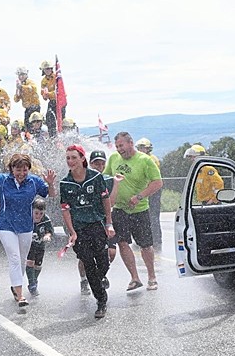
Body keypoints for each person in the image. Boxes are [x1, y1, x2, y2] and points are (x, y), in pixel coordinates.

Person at [0, 147, 56, 307]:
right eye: (18, 170)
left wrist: (51, 184)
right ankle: (20, 295)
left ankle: (15, 286)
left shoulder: (34, 181)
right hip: (6, 225)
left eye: (25, 170)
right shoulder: (2, 180)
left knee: (22, 260)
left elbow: (51, 194)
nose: (21, 173)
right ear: (11, 169)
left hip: (26, 226)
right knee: (14, 258)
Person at [60, 145, 115, 318]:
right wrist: (72, 232)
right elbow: (65, 209)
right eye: (68, 158)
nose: (70, 161)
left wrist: (109, 223)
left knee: (103, 262)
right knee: (88, 263)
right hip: (79, 228)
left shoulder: (96, 177)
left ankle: (98, 282)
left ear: (82, 159)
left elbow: (105, 200)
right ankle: (101, 300)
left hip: (97, 224)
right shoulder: (65, 183)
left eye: (74, 157)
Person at [104, 132, 163, 292]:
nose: (119, 149)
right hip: (119, 209)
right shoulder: (114, 158)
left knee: (145, 245)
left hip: (139, 210)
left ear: (130, 143)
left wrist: (139, 196)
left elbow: (157, 183)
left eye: (121, 146)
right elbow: (106, 178)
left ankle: (152, 277)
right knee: (122, 243)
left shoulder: (145, 160)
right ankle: (135, 277)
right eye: (117, 147)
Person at [77, 150, 121, 295]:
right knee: (86, 256)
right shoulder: (82, 179)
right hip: (86, 222)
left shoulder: (108, 179)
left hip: (104, 220)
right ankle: (84, 279)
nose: (99, 166)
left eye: (102, 163)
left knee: (111, 252)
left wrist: (116, 184)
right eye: (96, 163)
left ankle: (101, 275)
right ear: (90, 164)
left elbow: (112, 201)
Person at [136, 138, 162, 250]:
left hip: (153, 190)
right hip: (145, 190)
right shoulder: (141, 159)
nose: (141, 150)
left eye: (143, 148)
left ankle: (156, 239)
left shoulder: (151, 159)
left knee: (153, 215)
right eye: (140, 148)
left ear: (148, 149)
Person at [25, 198, 53, 296]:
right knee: (30, 262)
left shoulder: (46, 219)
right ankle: (31, 283)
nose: (38, 216)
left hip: (40, 245)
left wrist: (47, 236)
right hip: (29, 245)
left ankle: (35, 280)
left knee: (38, 265)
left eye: (41, 214)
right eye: (36, 213)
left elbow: (49, 231)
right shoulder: (27, 218)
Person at [14, 66, 40, 133]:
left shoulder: (30, 82)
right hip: (27, 109)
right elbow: (16, 99)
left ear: (26, 75)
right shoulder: (20, 85)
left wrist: (21, 87)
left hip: (34, 108)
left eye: (22, 74)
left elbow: (32, 88)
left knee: (34, 125)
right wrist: (18, 89)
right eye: (19, 75)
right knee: (27, 126)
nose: (21, 77)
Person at [39, 60, 58, 136]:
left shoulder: (56, 77)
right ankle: (52, 135)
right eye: (46, 69)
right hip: (52, 101)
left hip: (60, 101)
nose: (48, 70)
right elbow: (44, 97)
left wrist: (48, 94)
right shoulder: (43, 81)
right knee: (49, 117)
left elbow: (58, 91)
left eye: (49, 68)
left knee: (60, 117)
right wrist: (45, 94)